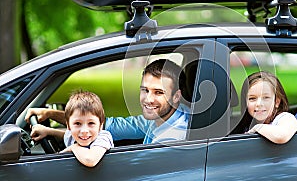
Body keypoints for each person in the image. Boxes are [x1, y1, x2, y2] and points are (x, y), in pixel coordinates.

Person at [26, 59, 189, 145]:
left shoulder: (171, 138)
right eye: (145, 90)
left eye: (158, 92)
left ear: (176, 96)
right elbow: (104, 127)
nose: (148, 99)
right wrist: (49, 118)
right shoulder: (162, 117)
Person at [31, 90, 113, 167]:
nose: (84, 131)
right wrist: (48, 131)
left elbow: (90, 160)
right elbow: (67, 135)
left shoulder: (103, 137)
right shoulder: (73, 135)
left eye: (91, 123)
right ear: (69, 126)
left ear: (100, 126)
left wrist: (73, 147)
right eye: (77, 123)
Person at [239, 71, 297, 144]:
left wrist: (257, 128)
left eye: (266, 97)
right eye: (252, 98)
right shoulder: (248, 123)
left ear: (276, 102)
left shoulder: (285, 118)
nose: (259, 104)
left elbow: (282, 136)